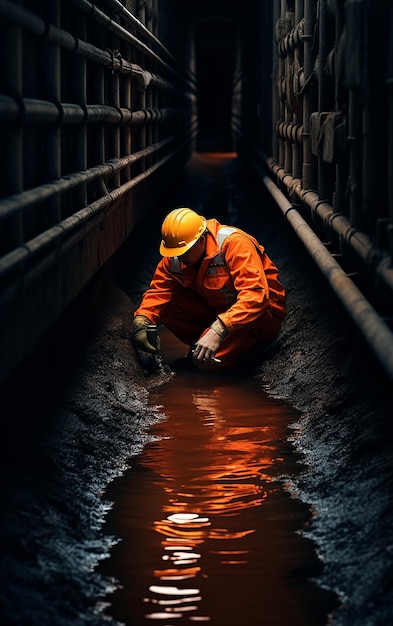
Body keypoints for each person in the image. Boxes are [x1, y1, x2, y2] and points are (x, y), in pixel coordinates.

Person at [132, 207, 286, 372]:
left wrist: (219, 330)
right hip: (218, 313)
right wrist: (142, 321)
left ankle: (241, 353)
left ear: (202, 239)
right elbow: (157, 292)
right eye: (175, 253)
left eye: (184, 252)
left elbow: (256, 297)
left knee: (208, 364)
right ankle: (203, 346)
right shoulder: (176, 258)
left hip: (260, 316)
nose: (179, 258)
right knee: (165, 304)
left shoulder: (234, 244)